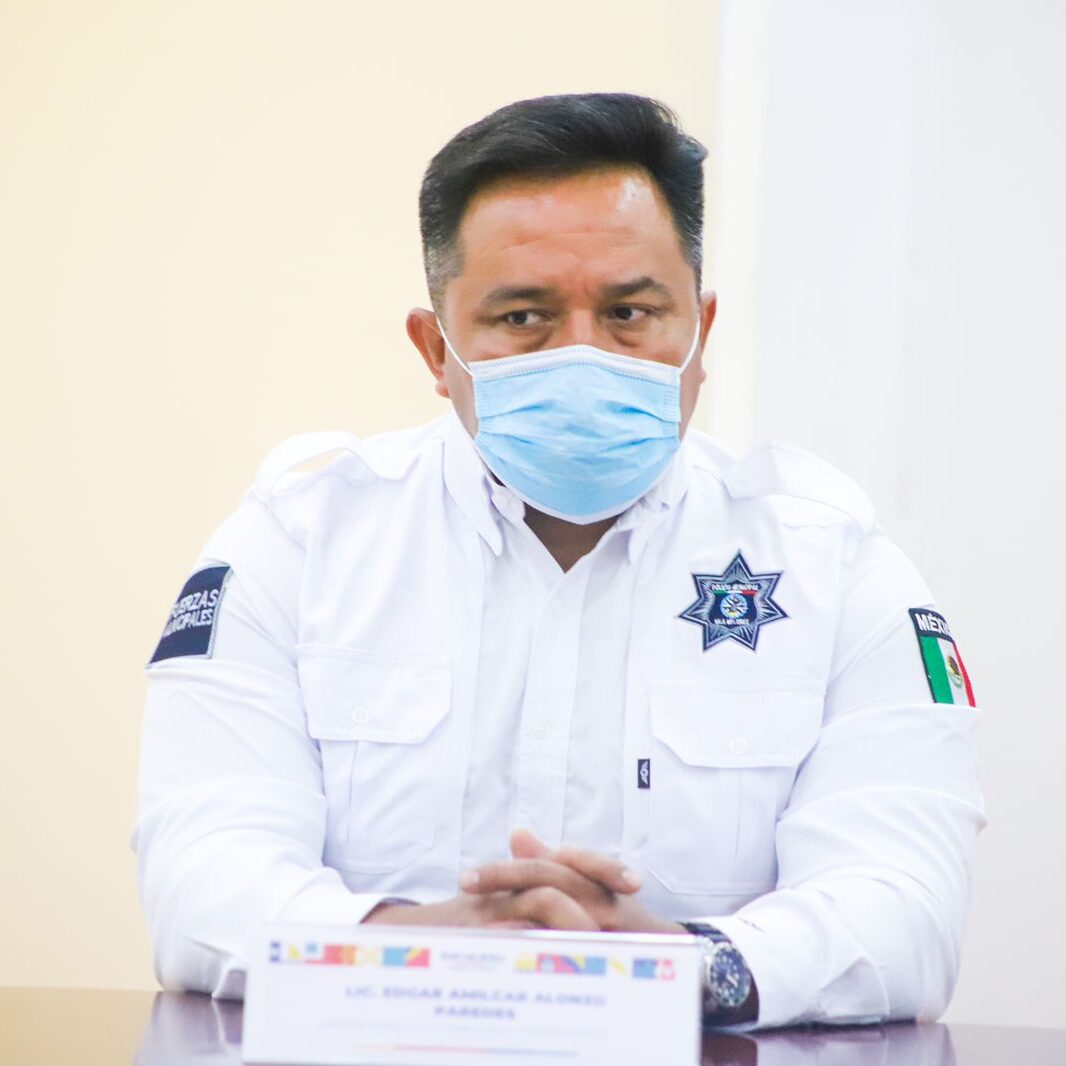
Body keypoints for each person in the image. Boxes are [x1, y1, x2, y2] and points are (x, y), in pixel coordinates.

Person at [130, 92, 987, 1031]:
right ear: (436, 348)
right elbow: (202, 878)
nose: (585, 357)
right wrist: (425, 948)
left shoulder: (838, 566)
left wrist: (681, 966)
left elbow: (905, 909)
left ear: (700, 333)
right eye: (525, 316)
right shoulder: (296, 548)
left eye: (630, 312)